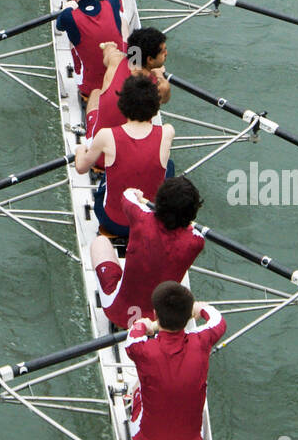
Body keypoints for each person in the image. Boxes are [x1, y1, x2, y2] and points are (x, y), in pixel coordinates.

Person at [126, 282, 225, 440]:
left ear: (155, 314)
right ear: (189, 317)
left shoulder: (141, 350)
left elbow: (132, 338)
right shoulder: (202, 341)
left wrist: (145, 325)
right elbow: (219, 320)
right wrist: (201, 308)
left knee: (137, 386)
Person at [91, 176, 205, 329]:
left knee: (100, 242)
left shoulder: (140, 216)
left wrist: (138, 194)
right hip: (161, 321)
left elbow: (127, 195)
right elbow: (191, 230)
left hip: (117, 311)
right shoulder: (196, 242)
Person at [75, 74, 173, 236]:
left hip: (112, 222)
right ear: (156, 107)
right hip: (149, 222)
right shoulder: (168, 132)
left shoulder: (106, 135)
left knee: (111, 168)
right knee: (169, 165)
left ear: (122, 105)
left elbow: (80, 168)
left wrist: (80, 150)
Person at [56, 0, 127, 100]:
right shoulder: (113, 1)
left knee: (72, 35)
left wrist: (67, 8)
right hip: (120, 80)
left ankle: (84, 93)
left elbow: (59, 26)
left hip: (90, 88)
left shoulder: (68, 16)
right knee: (122, 20)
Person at [87, 27, 170, 138]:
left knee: (96, 92)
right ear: (150, 60)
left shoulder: (115, 59)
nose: (166, 53)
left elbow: (107, 54)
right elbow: (165, 98)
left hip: (100, 139)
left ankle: (90, 131)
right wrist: (159, 74)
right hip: (133, 143)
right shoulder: (158, 86)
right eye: (163, 51)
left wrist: (109, 46)